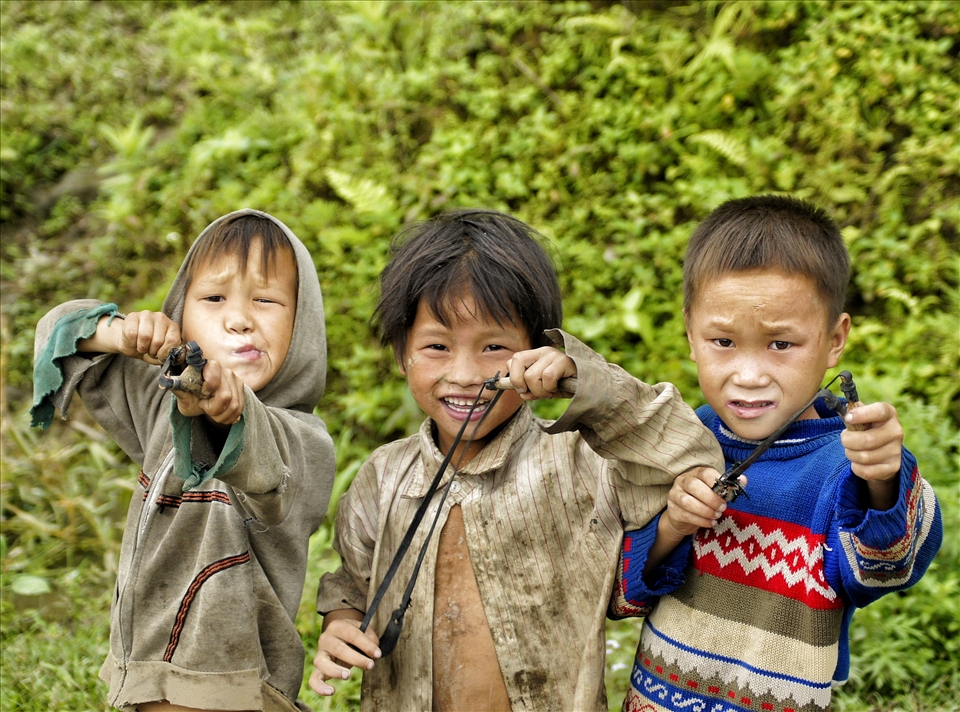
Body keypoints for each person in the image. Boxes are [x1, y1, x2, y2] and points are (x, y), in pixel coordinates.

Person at [308, 208, 725, 711]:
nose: (464, 374)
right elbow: (351, 586)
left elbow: (687, 453)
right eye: (437, 346)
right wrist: (339, 628)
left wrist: (581, 379)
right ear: (402, 354)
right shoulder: (382, 476)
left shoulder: (581, 460)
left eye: (494, 347)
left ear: (534, 352)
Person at [613, 195, 943, 712]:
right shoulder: (680, 441)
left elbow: (890, 567)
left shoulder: (842, 468)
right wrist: (674, 525)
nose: (748, 375)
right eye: (723, 341)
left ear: (834, 341)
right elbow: (624, 583)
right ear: (690, 334)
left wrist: (884, 478)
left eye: (780, 345)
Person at [31, 209, 336, 712]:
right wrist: (123, 332)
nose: (239, 319)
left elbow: (259, 453)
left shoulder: (304, 442)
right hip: (146, 670)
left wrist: (222, 402)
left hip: (238, 684)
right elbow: (56, 331)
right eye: (213, 299)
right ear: (181, 311)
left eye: (266, 300)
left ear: (302, 325)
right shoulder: (159, 404)